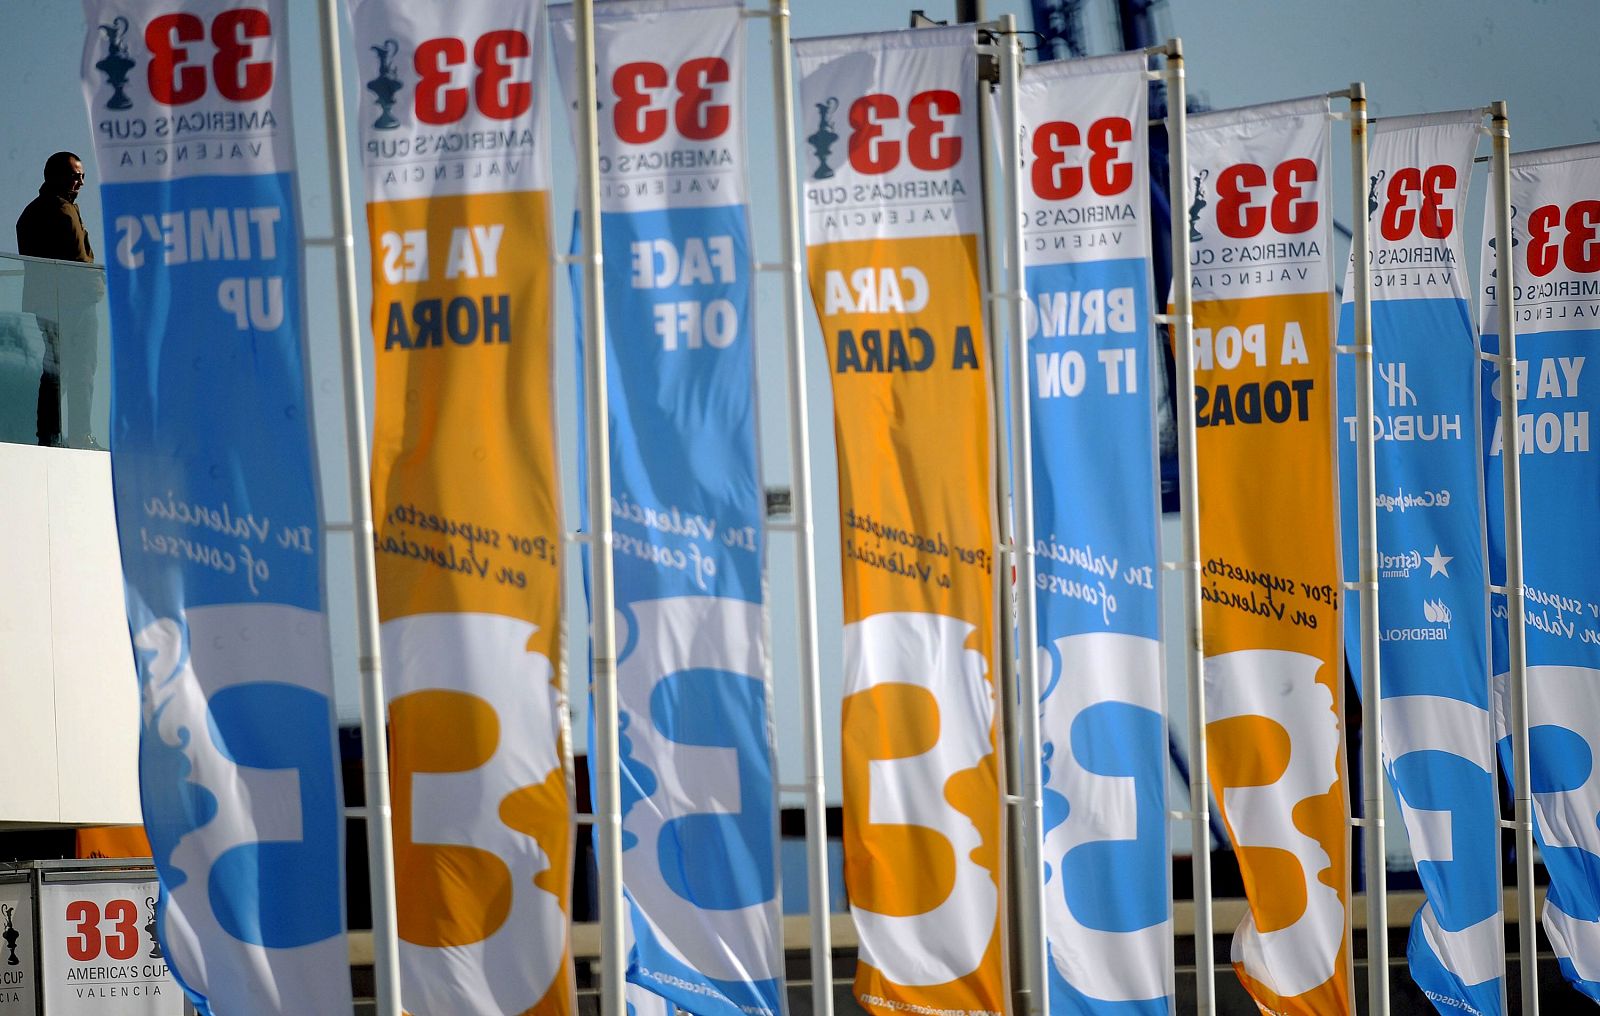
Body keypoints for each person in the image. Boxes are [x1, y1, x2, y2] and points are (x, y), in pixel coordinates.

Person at [17, 151, 101, 448]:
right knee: (76, 371)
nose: (81, 181)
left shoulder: (33, 211)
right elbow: (78, 260)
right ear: (55, 175)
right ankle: (76, 435)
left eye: (82, 175)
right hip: (72, 302)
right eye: (75, 174)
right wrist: (99, 286)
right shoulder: (61, 210)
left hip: (51, 302)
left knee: (59, 369)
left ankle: (52, 435)